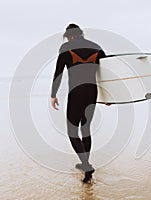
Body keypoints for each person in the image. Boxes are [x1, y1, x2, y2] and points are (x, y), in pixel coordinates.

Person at [51, 24, 106, 183]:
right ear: (81, 33)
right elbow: (106, 73)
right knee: (86, 128)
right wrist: (108, 97)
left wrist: (53, 94)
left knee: (72, 131)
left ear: (68, 36)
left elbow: (58, 73)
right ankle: (85, 164)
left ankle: (87, 165)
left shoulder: (66, 48)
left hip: (75, 93)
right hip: (92, 92)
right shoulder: (96, 47)